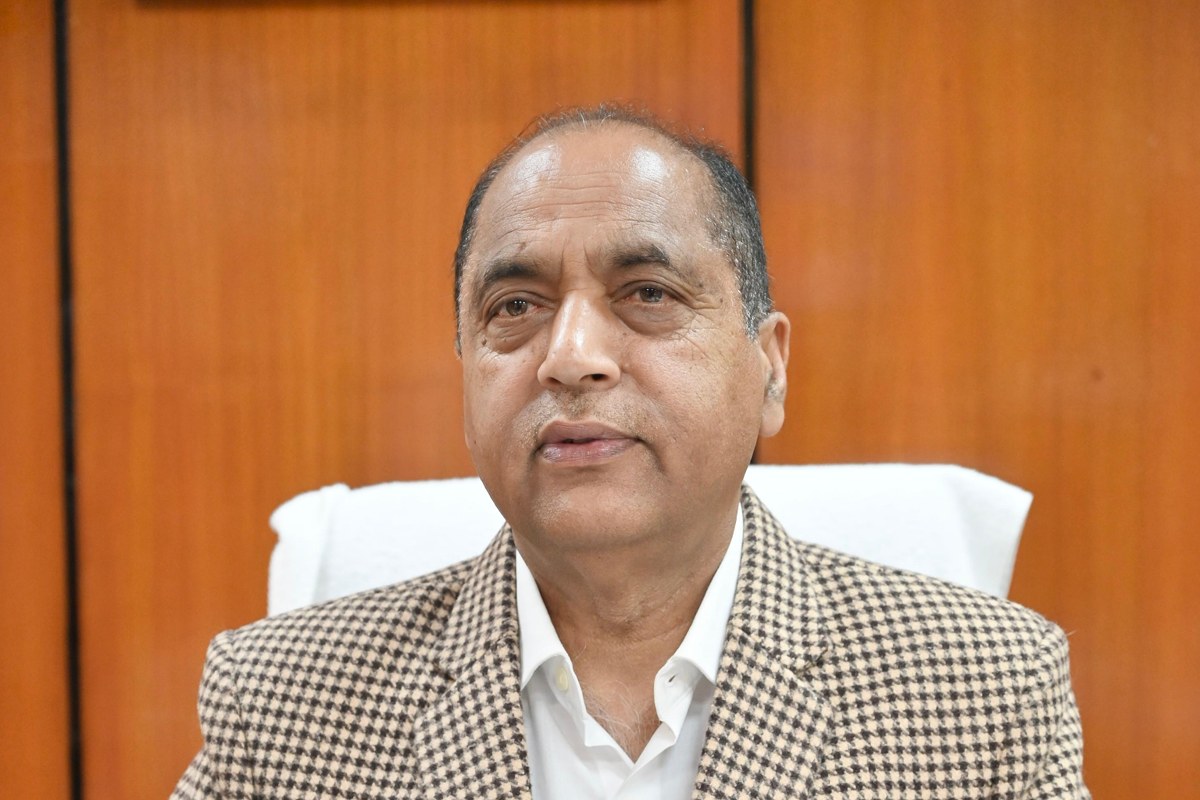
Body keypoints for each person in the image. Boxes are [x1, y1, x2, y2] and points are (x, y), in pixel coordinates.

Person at [173, 106, 1088, 799]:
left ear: (769, 370)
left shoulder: (986, 692)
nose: (570, 356)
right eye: (515, 308)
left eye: (648, 293)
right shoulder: (280, 706)